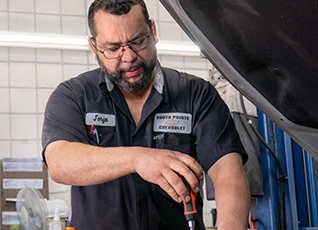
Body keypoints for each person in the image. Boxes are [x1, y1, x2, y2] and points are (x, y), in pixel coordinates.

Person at [42, 0, 250, 229]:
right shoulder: (73, 96)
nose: (129, 57)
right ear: (94, 49)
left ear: (153, 31)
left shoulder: (196, 95)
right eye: (113, 48)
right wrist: (137, 158)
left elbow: (227, 172)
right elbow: (60, 162)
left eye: (138, 41)